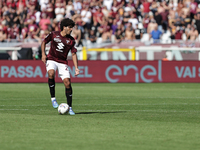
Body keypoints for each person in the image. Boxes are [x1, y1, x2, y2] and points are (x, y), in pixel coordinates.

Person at [41, 18, 80, 115]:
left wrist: (76, 68)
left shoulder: (71, 40)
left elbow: (74, 54)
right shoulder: (54, 34)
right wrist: (43, 54)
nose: (71, 30)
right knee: (51, 73)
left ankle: (70, 107)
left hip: (62, 62)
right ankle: (53, 98)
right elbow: (44, 42)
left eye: (72, 28)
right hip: (51, 59)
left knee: (67, 83)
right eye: (70, 27)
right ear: (64, 27)